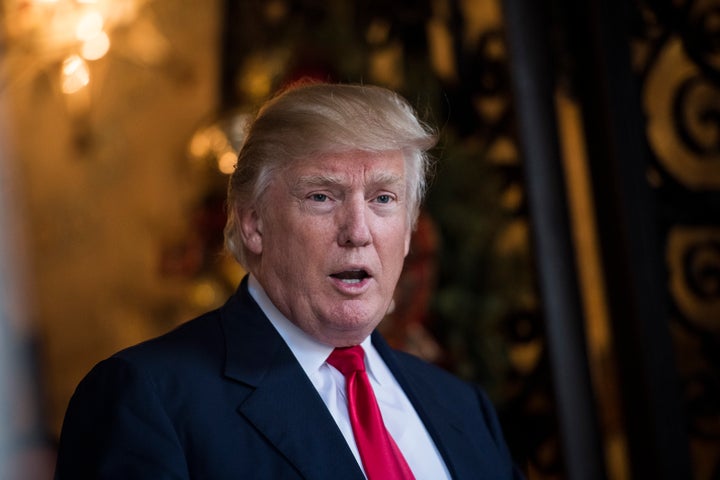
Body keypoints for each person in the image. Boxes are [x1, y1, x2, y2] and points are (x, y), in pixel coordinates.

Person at [54, 82, 523, 479]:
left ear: (407, 232)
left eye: (383, 198)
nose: (358, 232)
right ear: (254, 223)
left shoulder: (463, 408)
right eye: (322, 196)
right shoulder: (145, 398)